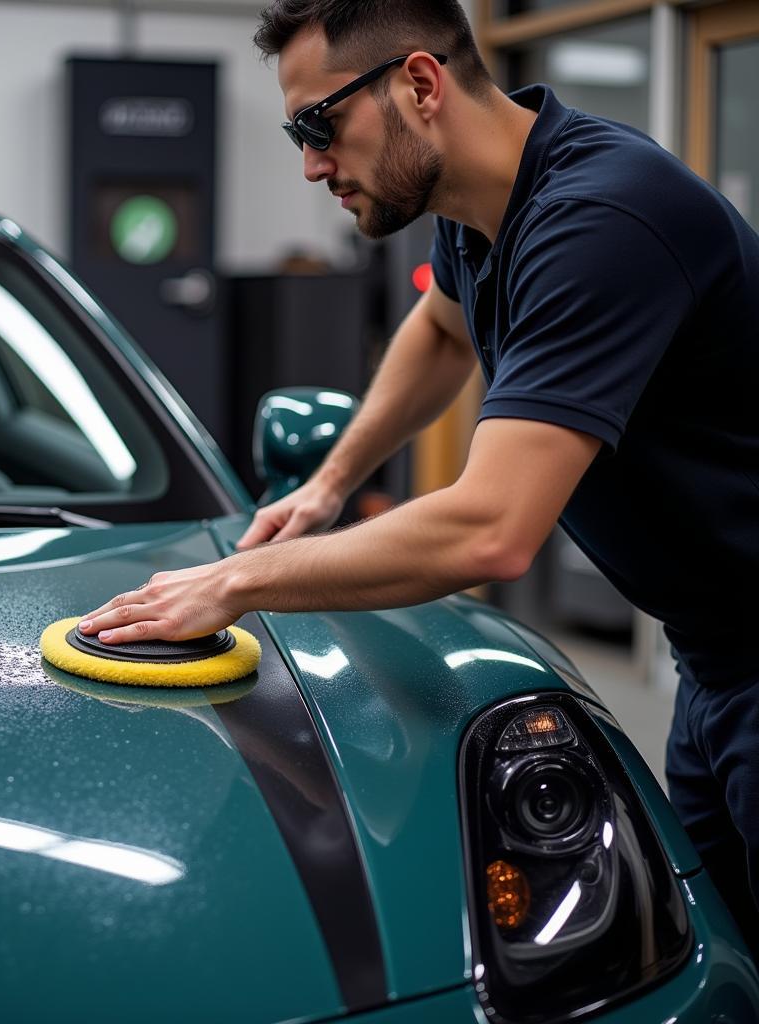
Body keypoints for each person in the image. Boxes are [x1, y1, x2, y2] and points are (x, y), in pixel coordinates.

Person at [78, 0, 759, 952]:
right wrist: (327, 483)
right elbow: (441, 330)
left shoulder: (602, 217)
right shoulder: (484, 206)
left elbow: (491, 529)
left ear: (421, 85)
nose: (312, 165)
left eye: (319, 126)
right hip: (714, 654)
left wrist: (234, 582)